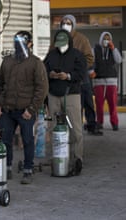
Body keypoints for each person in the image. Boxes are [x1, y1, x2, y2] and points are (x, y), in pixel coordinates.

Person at [0, 31, 48, 184]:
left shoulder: (35, 63)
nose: (19, 44)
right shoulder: (7, 61)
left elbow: (41, 89)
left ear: (30, 44)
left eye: (23, 41)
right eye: (16, 41)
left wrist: (31, 110)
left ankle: (27, 170)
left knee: (28, 140)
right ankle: (7, 168)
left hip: (25, 111)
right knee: (5, 140)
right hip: (7, 110)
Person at [44, 29, 86, 175]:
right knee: (53, 129)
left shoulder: (77, 55)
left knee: (76, 130)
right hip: (53, 95)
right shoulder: (51, 55)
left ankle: (77, 160)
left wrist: (68, 76)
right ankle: (56, 160)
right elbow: (43, 70)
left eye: (64, 44)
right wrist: (50, 74)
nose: (61, 47)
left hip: (71, 94)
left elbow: (82, 74)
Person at [60, 14, 102, 136]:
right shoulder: (58, 39)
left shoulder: (81, 39)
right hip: (67, 80)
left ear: (73, 25)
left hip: (82, 78)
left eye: (68, 23)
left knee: (88, 102)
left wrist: (79, 68)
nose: (66, 25)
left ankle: (91, 125)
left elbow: (90, 58)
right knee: (74, 106)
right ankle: (74, 129)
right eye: (64, 22)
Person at [92, 31, 122, 131]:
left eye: (108, 39)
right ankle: (99, 122)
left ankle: (114, 123)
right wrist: (91, 71)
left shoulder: (113, 49)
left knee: (113, 104)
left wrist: (113, 49)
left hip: (111, 81)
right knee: (99, 104)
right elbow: (90, 62)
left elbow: (119, 60)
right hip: (98, 81)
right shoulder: (95, 49)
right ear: (101, 39)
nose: (106, 40)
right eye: (104, 38)